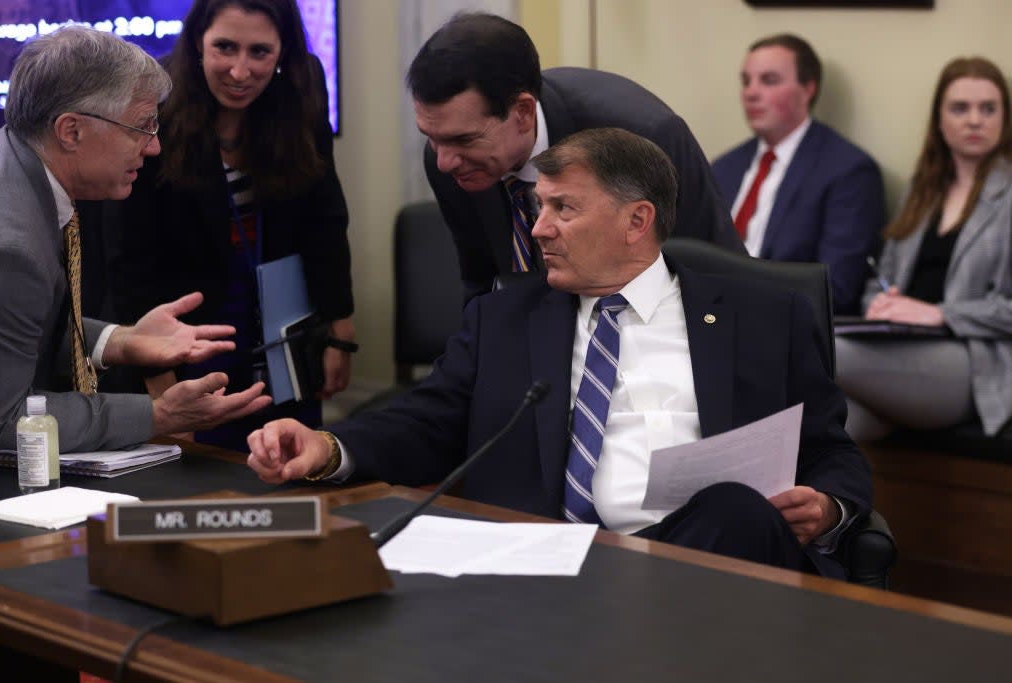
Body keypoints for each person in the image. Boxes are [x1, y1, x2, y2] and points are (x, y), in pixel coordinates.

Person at [247, 128, 871, 579]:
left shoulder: (762, 317)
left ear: (636, 221)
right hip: (542, 562)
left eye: (562, 208)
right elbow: (425, 420)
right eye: (537, 207)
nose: (539, 228)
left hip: (695, 561)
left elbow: (829, 451)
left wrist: (828, 505)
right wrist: (327, 446)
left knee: (736, 510)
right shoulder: (503, 319)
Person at [0, 25, 271, 453]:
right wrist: (159, 415)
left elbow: (9, 330)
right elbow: (4, 422)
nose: (154, 146)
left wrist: (120, 340)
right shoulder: (12, 248)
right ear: (71, 131)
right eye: (142, 126)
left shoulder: (5, 157)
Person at [110, 0, 355, 452]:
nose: (240, 72)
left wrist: (341, 331)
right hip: (189, 332)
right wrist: (161, 388)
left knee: (290, 464)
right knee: (205, 479)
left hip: (286, 326)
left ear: (283, 51)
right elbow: (130, 259)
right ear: (197, 43)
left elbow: (326, 217)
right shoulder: (153, 107)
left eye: (259, 52)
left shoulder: (304, 89)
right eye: (225, 47)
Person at [408, 11, 742, 302]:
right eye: (433, 139)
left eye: (464, 139)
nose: (444, 162)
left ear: (523, 112)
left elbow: (717, 277)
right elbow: (482, 286)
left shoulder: (645, 138)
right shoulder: (449, 159)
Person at [836, 57, 1012, 441]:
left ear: (1004, 117)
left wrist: (938, 314)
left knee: (826, 350)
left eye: (988, 108)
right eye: (960, 108)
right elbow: (878, 278)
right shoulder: (924, 190)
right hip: (901, 347)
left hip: (976, 362)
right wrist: (879, 305)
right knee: (825, 427)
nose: (975, 120)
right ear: (939, 119)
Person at [711, 34, 886, 314]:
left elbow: (836, 288)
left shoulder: (848, 171)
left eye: (769, 80)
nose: (751, 92)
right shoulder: (723, 168)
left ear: (808, 89)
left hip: (783, 324)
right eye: (746, 81)